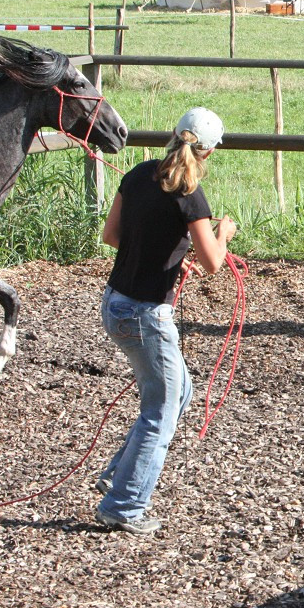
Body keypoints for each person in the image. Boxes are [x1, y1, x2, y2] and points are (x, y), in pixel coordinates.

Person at [95, 107, 238, 534]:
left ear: (174, 135)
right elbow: (213, 262)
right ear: (209, 150)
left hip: (115, 303)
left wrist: (171, 256)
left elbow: (113, 236)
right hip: (147, 315)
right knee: (161, 412)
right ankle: (123, 505)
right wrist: (224, 232)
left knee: (178, 394)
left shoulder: (139, 173)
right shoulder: (191, 193)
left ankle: (120, 472)